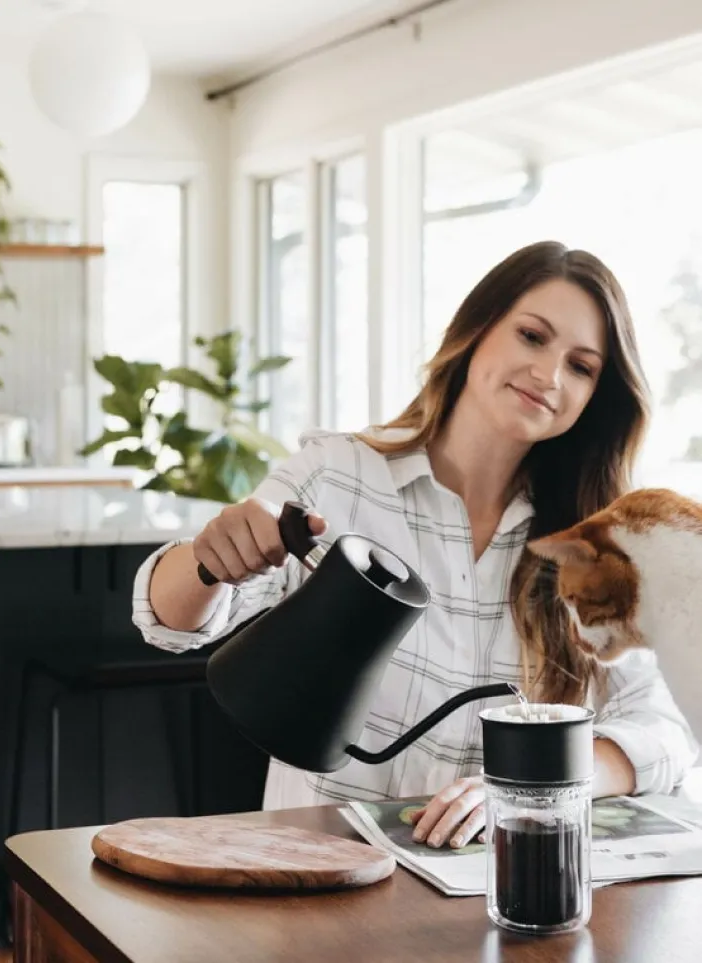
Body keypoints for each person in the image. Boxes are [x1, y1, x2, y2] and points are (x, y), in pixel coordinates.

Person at [132, 240, 698, 851]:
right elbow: (168, 623)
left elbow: (665, 732)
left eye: (582, 367)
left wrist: (537, 780)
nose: (549, 375)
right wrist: (210, 559)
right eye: (533, 336)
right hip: (324, 875)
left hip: (501, 891)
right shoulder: (340, 476)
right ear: (477, 330)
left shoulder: (589, 547)